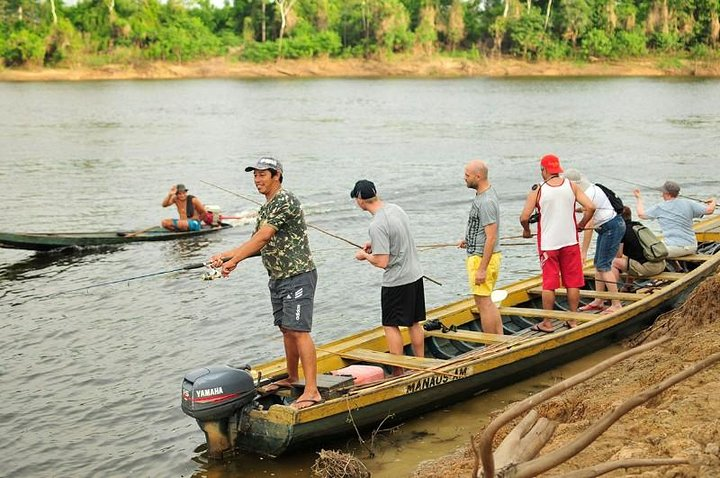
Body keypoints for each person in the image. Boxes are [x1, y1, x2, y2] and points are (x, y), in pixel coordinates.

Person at [209, 157, 321, 410]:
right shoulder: (266, 208)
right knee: (286, 329)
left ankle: (312, 391)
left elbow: (263, 237)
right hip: (278, 277)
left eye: (263, 175)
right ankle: (293, 378)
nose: (258, 180)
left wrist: (234, 261)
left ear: (277, 176)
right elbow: (257, 245)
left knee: (300, 331)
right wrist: (226, 256)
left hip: (298, 275)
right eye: (255, 176)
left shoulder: (285, 200)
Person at [351, 179, 426, 375]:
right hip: (415, 274)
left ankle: (398, 372)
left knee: (390, 325)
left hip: (397, 281)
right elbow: (397, 237)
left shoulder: (377, 224)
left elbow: (382, 262)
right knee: (414, 322)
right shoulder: (395, 209)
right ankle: (421, 364)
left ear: (360, 198)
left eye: (355, 198)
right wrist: (374, 243)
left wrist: (365, 255)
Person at [519, 154, 595, 332]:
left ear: (543, 170)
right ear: (558, 170)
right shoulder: (571, 185)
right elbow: (590, 207)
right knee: (573, 282)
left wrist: (527, 231)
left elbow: (524, 217)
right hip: (570, 241)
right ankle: (573, 320)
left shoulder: (538, 189)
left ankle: (547, 322)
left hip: (548, 244)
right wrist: (582, 225)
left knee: (549, 283)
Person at [562, 169, 626, 314]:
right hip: (608, 227)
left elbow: (589, 226)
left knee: (604, 266)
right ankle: (599, 300)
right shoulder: (590, 189)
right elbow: (589, 210)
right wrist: (577, 211)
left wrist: (583, 252)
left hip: (611, 227)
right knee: (598, 264)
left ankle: (616, 304)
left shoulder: (588, 194)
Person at [457, 160, 503, 335]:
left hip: (481, 258)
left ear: (478, 176)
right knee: (487, 301)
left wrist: (482, 269)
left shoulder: (486, 201)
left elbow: (491, 236)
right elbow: (483, 231)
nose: (464, 178)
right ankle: (498, 338)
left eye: (467, 175)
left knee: (483, 303)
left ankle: (491, 344)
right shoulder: (485, 194)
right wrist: (469, 239)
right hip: (480, 253)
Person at [634, 181, 716, 258]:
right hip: (692, 246)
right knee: (662, 243)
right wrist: (713, 201)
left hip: (673, 248)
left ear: (667, 194)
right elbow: (709, 210)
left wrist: (639, 198)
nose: (662, 195)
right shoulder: (689, 203)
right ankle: (678, 268)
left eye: (663, 192)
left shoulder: (660, 207)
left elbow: (641, 214)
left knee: (647, 251)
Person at [611, 206, 666, 286]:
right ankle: (628, 286)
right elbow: (633, 256)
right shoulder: (638, 225)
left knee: (612, 262)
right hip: (661, 264)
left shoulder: (621, 231)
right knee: (631, 258)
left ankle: (613, 291)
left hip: (649, 269)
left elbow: (618, 255)